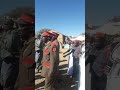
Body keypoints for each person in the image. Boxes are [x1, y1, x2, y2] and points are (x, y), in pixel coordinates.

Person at [15, 13, 35, 90]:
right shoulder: (26, 44)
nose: (18, 29)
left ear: (32, 28)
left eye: (21, 26)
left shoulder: (33, 47)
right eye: (18, 26)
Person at [0, 18, 20, 90]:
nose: (2, 26)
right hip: (4, 59)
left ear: (10, 25)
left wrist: (12, 55)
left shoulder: (14, 34)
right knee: (2, 79)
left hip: (11, 60)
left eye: (5, 24)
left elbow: (16, 48)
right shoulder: (4, 33)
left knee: (7, 80)